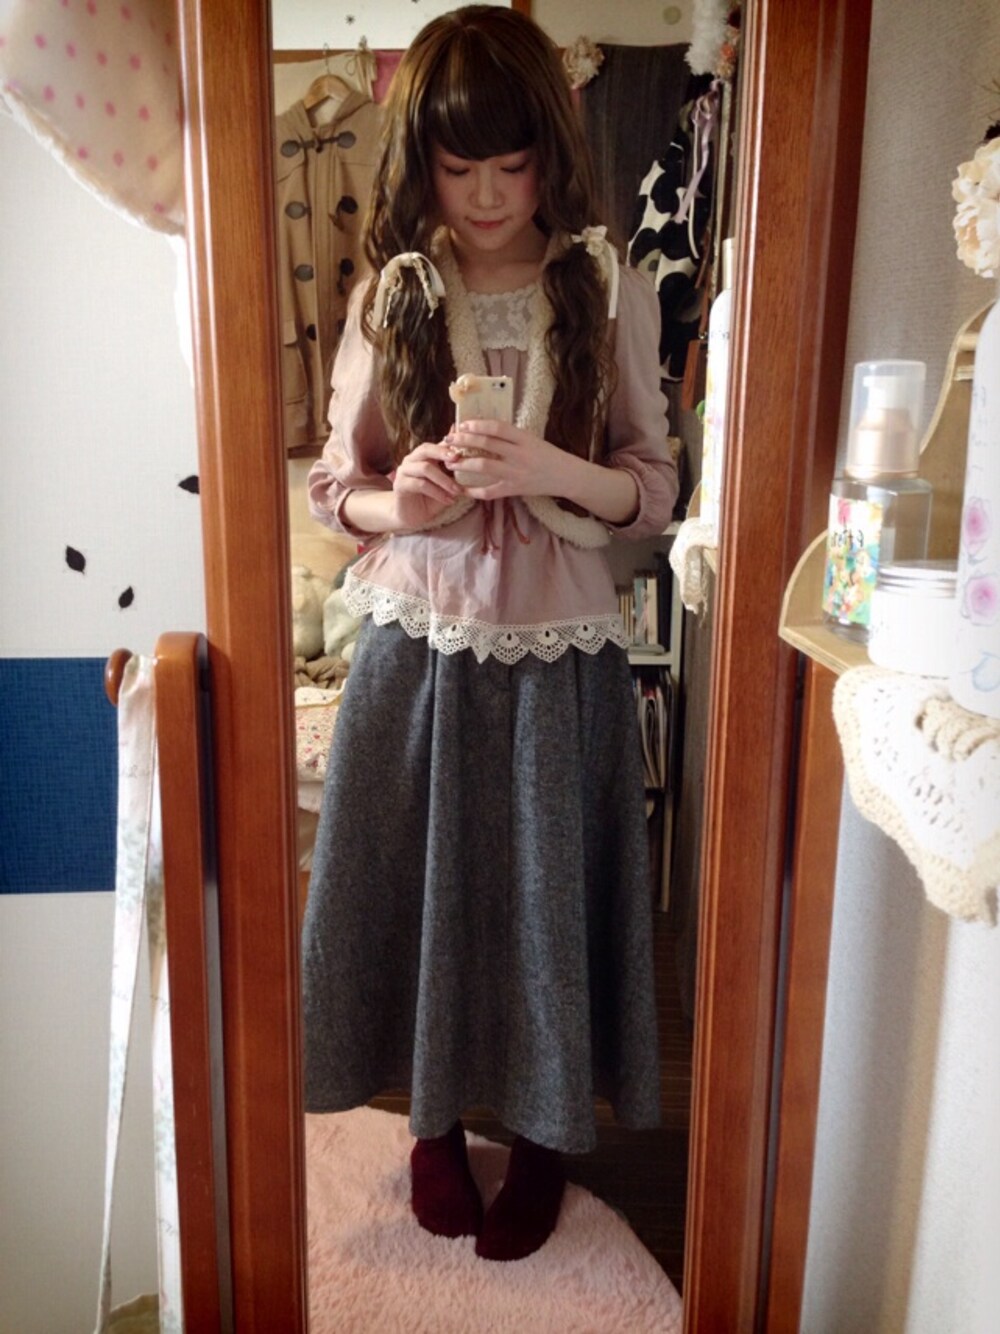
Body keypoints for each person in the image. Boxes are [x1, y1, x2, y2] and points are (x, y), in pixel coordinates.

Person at [301, 4, 679, 1263]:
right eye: (457, 166)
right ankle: (429, 1126)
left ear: (547, 156)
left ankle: (544, 1134)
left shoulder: (605, 286)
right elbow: (334, 486)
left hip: (560, 654)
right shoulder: (394, 295)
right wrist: (397, 502)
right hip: (416, 648)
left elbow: (652, 488)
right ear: (421, 163)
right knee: (415, 888)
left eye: (508, 165)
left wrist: (550, 467)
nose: (482, 195)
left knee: (541, 904)